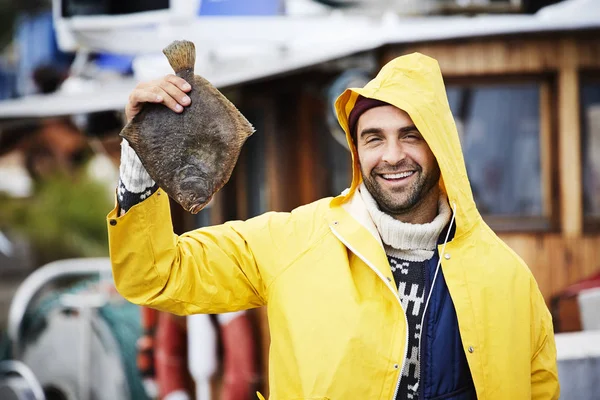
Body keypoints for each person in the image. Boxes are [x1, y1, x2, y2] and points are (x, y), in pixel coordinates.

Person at [108, 53, 559, 399]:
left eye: (410, 135)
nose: (392, 155)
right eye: (373, 138)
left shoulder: (508, 277)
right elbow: (157, 275)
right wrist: (140, 159)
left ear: (439, 145)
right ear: (356, 152)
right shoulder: (293, 242)